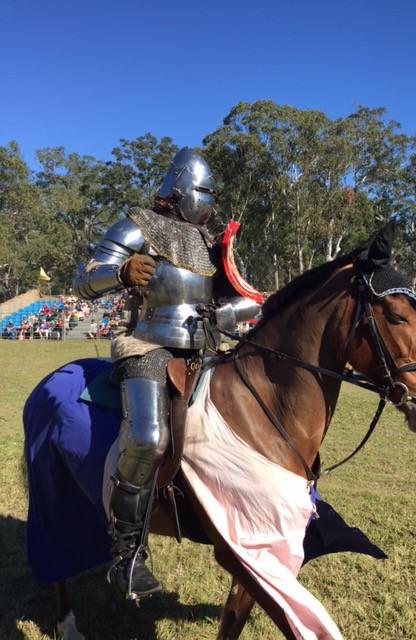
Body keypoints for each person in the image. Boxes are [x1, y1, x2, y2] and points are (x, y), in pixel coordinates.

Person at [73, 148, 260, 600]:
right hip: (148, 343)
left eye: (212, 193)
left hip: (206, 349)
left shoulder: (210, 244)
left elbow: (249, 299)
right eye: (202, 191)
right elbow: (83, 279)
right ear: (177, 191)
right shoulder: (138, 226)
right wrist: (119, 271)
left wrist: (226, 315)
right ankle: (127, 556)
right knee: (148, 439)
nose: (208, 200)